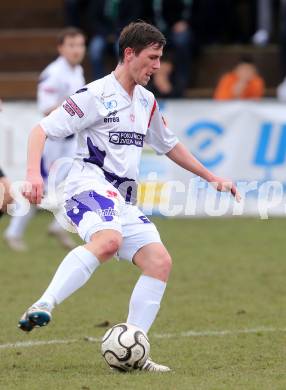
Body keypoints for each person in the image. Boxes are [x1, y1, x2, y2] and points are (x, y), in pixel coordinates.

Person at [18, 21, 240, 372]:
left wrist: (211, 177)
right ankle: (43, 303)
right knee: (108, 241)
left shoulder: (146, 101)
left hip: (121, 198)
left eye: (160, 58)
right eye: (152, 58)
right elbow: (40, 129)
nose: (157, 66)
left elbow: (169, 145)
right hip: (86, 186)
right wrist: (33, 174)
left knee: (159, 262)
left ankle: (132, 349)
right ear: (129, 54)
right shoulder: (94, 95)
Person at [4, 27, 86, 251]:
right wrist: (73, 106)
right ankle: (14, 232)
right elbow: (45, 109)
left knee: (83, 180)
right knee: (38, 190)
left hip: (71, 142)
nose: (77, 50)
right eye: (72, 45)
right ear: (61, 48)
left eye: (80, 45)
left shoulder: (76, 70)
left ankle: (60, 225)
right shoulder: (54, 73)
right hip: (52, 144)